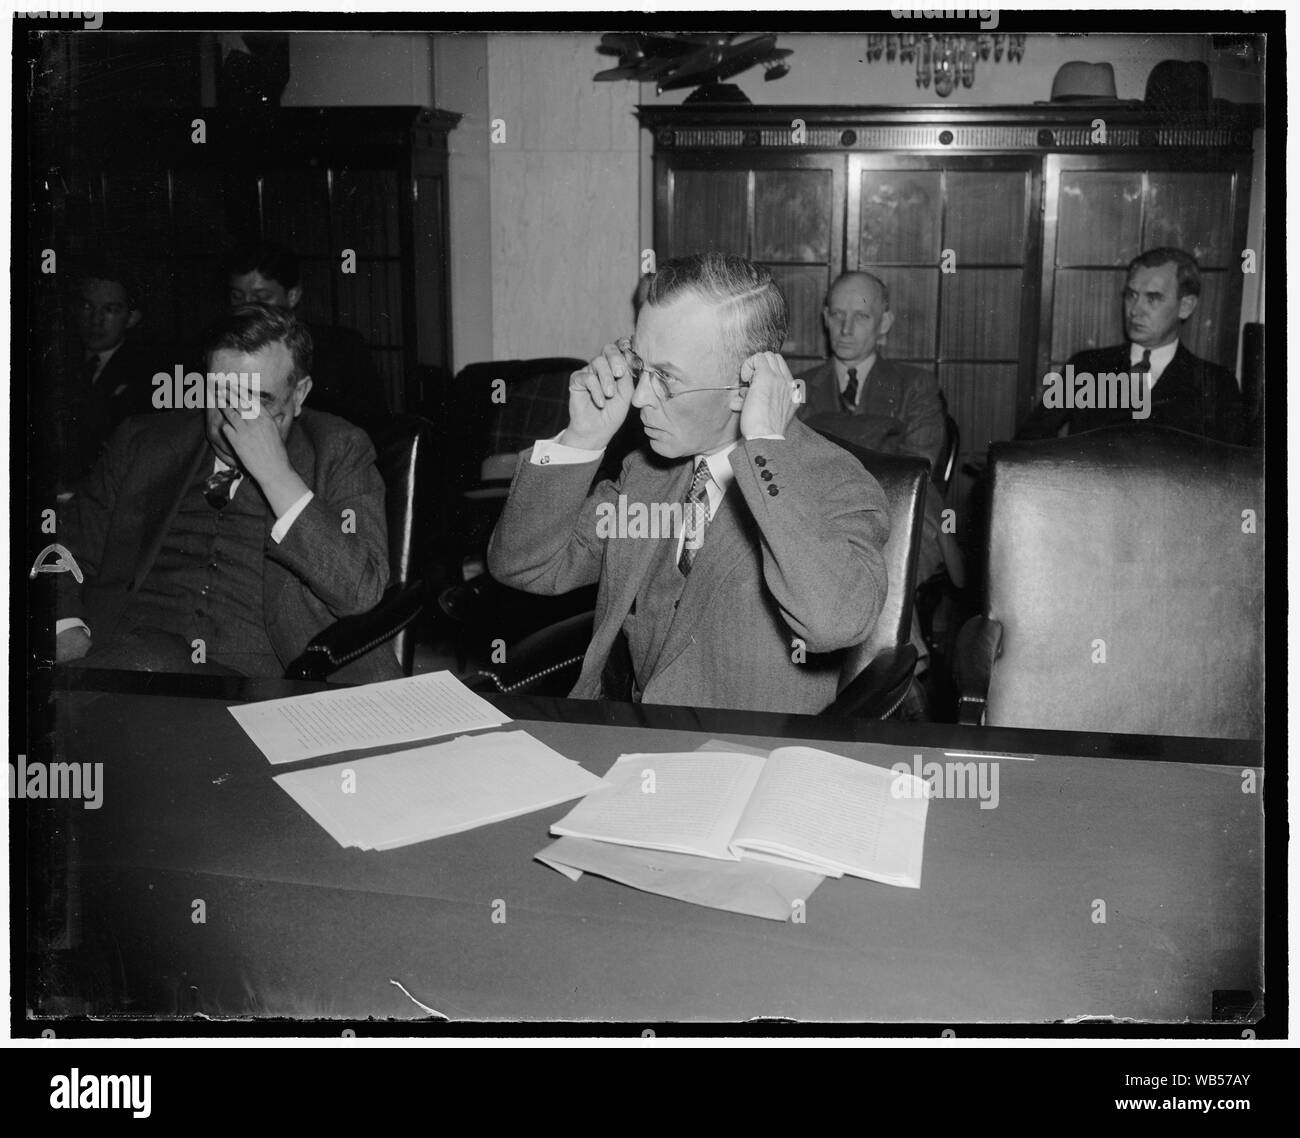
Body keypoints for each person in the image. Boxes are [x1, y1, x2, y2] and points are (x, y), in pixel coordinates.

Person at [487, 253, 891, 714]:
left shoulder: (836, 482)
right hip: (626, 746)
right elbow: (523, 565)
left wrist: (763, 445)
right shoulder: (648, 473)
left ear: (746, 387)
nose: (639, 398)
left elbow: (833, 622)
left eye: (666, 379)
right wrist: (583, 438)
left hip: (746, 762)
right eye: (641, 367)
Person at [53, 304, 396, 682]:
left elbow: (362, 591)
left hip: (266, 683)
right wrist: (67, 635)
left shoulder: (338, 450)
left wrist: (277, 476)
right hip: (126, 671)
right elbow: (62, 552)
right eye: (221, 393)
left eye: (259, 400)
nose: (234, 417)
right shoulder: (142, 442)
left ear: (299, 394)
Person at [1017, 247, 1244, 443]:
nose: (1135, 310)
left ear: (1186, 306)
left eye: (1152, 298)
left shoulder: (1216, 384)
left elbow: (1233, 472)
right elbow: (1028, 442)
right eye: (1131, 295)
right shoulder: (1086, 366)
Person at [797, 271, 946, 474]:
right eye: (837, 314)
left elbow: (914, 473)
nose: (846, 329)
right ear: (825, 318)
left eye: (861, 316)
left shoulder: (915, 386)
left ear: (884, 323)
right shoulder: (798, 386)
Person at [226, 240, 388, 425]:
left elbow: (372, 423)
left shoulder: (340, 348)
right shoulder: (220, 349)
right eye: (237, 297)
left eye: (262, 297)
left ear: (292, 296)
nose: (247, 307)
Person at [52, 259, 159, 487]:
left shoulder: (145, 375)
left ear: (132, 318)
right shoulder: (56, 363)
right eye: (87, 306)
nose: (96, 320)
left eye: (110, 309)